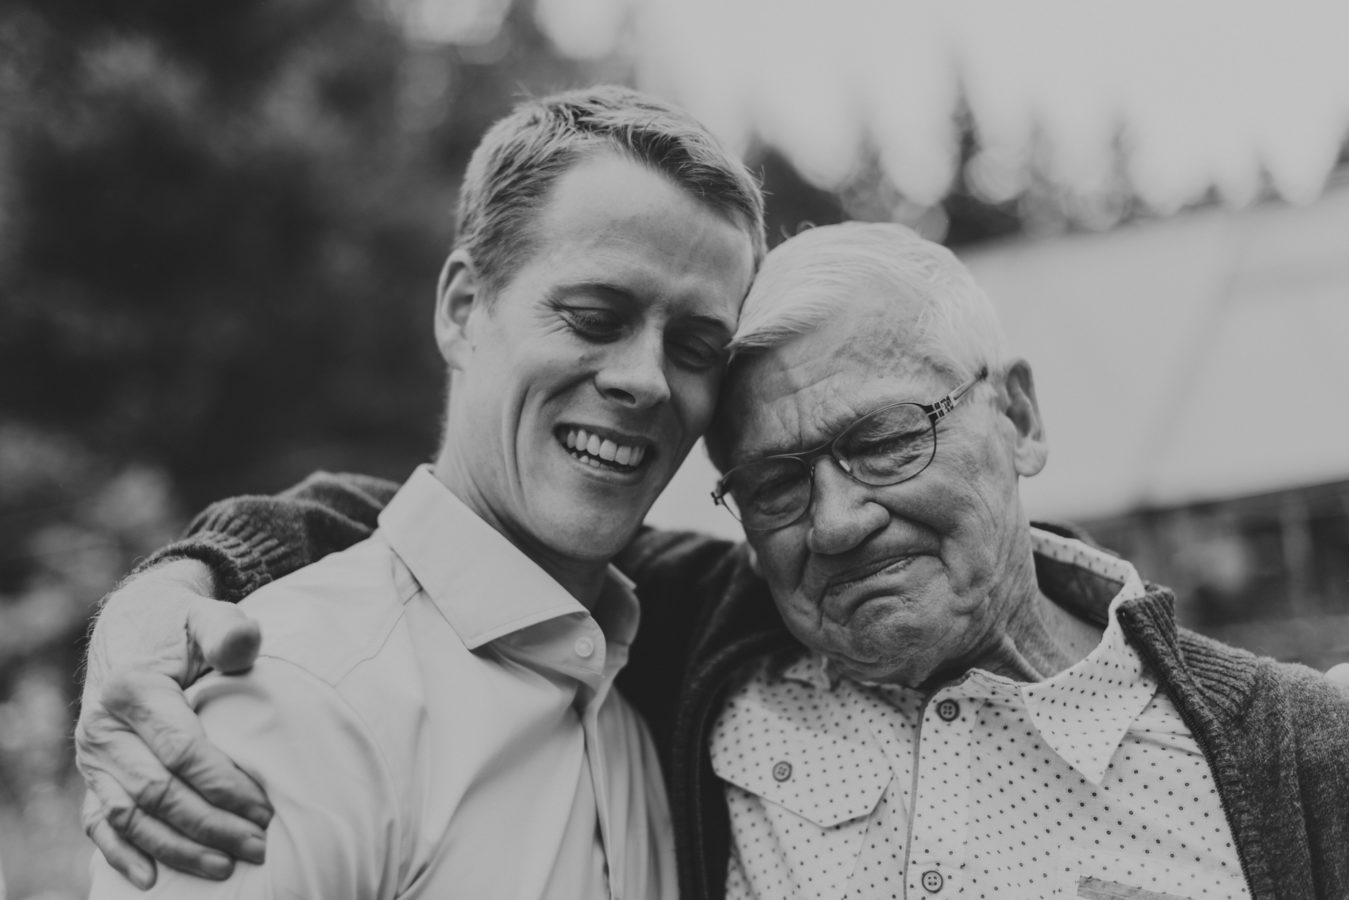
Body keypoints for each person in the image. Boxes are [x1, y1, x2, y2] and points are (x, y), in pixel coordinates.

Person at [80, 224, 1349, 899]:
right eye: (778, 484)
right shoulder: (717, 632)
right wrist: (173, 588)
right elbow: (425, 515)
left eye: (886, 443)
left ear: (1013, 416)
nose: (838, 521)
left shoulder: (1291, 755)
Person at [81, 83, 764, 898]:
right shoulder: (295, 705)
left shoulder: (658, 682)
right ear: (463, 308)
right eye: (592, 316)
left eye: (695, 347)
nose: (645, 380)